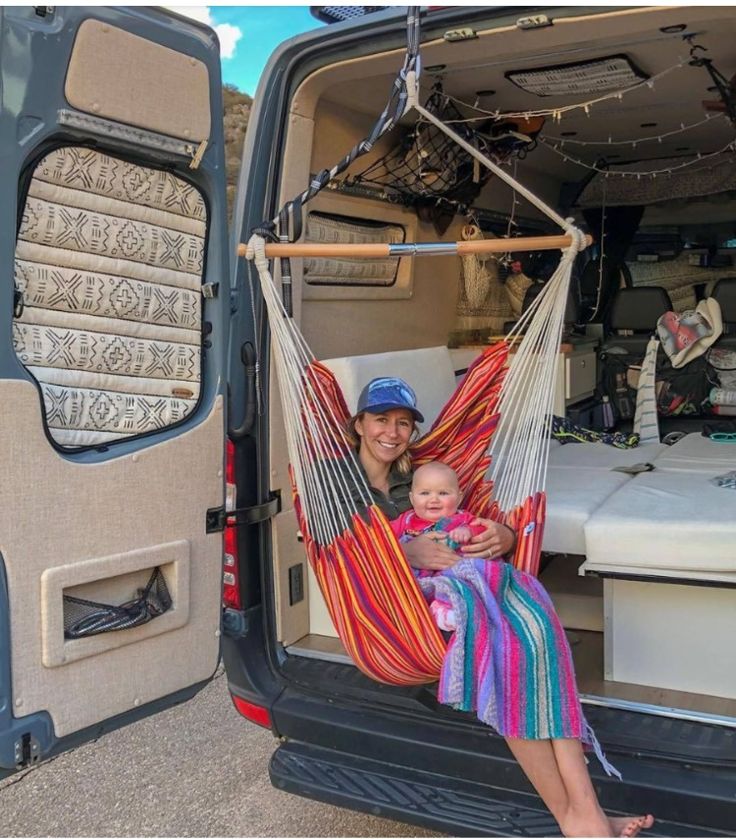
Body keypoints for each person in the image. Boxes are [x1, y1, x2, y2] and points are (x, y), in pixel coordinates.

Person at [344, 375, 655, 839]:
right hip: (399, 611)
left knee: (540, 637)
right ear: (358, 423)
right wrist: (406, 555)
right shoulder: (340, 484)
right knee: (512, 659)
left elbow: (467, 515)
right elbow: (337, 552)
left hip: (463, 584)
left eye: (403, 423)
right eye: (380, 420)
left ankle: (584, 813)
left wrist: (504, 537)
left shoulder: (420, 476)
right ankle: (581, 818)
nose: (391, 432)